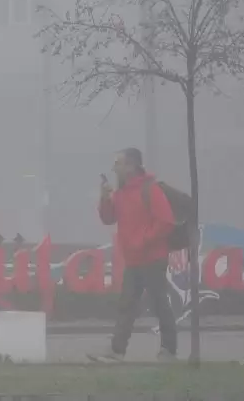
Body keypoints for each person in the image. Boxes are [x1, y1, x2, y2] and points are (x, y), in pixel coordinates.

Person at [89, 147, 178, 362]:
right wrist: (105, 199)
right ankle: (117, 350)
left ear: (132, 166)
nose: (114, 168)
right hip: (133, 260)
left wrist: (141, 241)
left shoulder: (150, 189)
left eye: (118, 163)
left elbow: (166, 221)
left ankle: (168, 350)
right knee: (126, 305)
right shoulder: (121, 193)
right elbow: (109, 219)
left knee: (159, 303)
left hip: (153, 258)